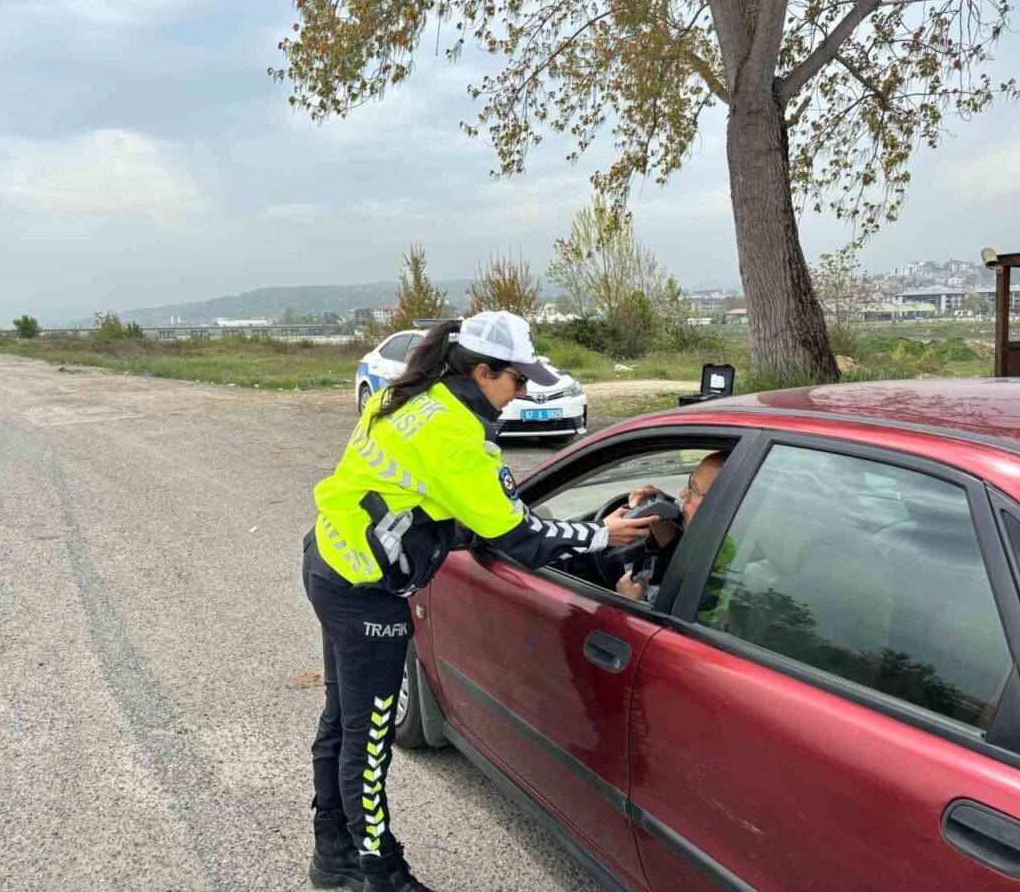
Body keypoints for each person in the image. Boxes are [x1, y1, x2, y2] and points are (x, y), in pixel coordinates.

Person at [303, 311, 657, 892]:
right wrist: (602, 534)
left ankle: (334, 855)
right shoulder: (458, 438)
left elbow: (425, 497)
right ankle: (380, 874)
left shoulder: (406, 396)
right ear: (485, 371)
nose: (520, 395)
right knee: (366, 745)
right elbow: (520, 537)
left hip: (329, 559)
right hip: (366, 593)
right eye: (517, 382)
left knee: (342, 723)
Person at [615, 451, 727, 603]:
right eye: (689, 483)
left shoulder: (715, 578)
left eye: (693, 490)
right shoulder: (719, 543)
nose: (682, 494)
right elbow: (676, 548)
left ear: (722, 505)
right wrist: (659, 505)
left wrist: (632, 604)